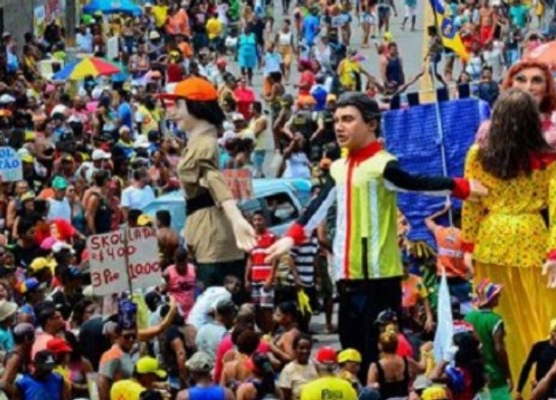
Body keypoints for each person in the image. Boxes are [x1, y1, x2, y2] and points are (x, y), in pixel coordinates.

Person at [265, 92, 485, 378]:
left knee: (379, 355)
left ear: (371, 124)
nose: (339, 127)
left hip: (380, 279)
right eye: (336, 120)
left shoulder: (383, 164)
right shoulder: (338, 167)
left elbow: (416, 183)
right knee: (350, 354)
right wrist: (291, 237)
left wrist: (462, 187)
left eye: (348, 119)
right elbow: (318, 205)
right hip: (347, 277)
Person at [464, 88, 556, 397]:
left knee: (496, 320)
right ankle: (541, 385)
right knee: (541, 316)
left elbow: (471, 203)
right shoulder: (549, 158)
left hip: (491, 243)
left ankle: (502, 387)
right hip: (533, 241)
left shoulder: (477, 155)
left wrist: (468, 246)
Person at [157, 77, 255, 287]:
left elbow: (214, 180)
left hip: (213, 236)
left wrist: (236, 219)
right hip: (201, 228)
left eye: (178, 105)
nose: (171, 112)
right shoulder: (196, 142)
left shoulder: (205, 146)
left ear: (196, 107)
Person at [464, 279, 511, 399]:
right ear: (492, 298)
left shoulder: (468, 317)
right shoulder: (495, 320)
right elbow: (499, 349)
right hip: (494, 372)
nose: (499, 296)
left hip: (475, 372)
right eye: (497, 295)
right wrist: (508, 374)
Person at [425, 199, 471, 310]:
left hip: (443, 279)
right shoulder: (466, 237)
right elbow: (469, 260)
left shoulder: (441, 232)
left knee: (446, 313)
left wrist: (443, 210)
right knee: (466, 312)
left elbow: (427, 220)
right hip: (461, 280)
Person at [516, 319, 556, 399]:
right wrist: (519, 390)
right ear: (550, 332)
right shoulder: (539, 347)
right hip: (540, 390)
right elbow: (527, 367)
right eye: (555, 331)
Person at [367, 330, 414, 398]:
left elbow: (369, 390)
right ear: (396, 345)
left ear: (380, 346)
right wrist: (424, 352)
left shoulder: (375, 366)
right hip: (405, 397)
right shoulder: (406, 361)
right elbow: (422, 368)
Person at [279, 334, 318, 400]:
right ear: (295, 349)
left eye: (307, 348)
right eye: (301, 348)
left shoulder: (316, 366)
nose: (305, 351)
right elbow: (285, 396)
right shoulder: (288, 369)